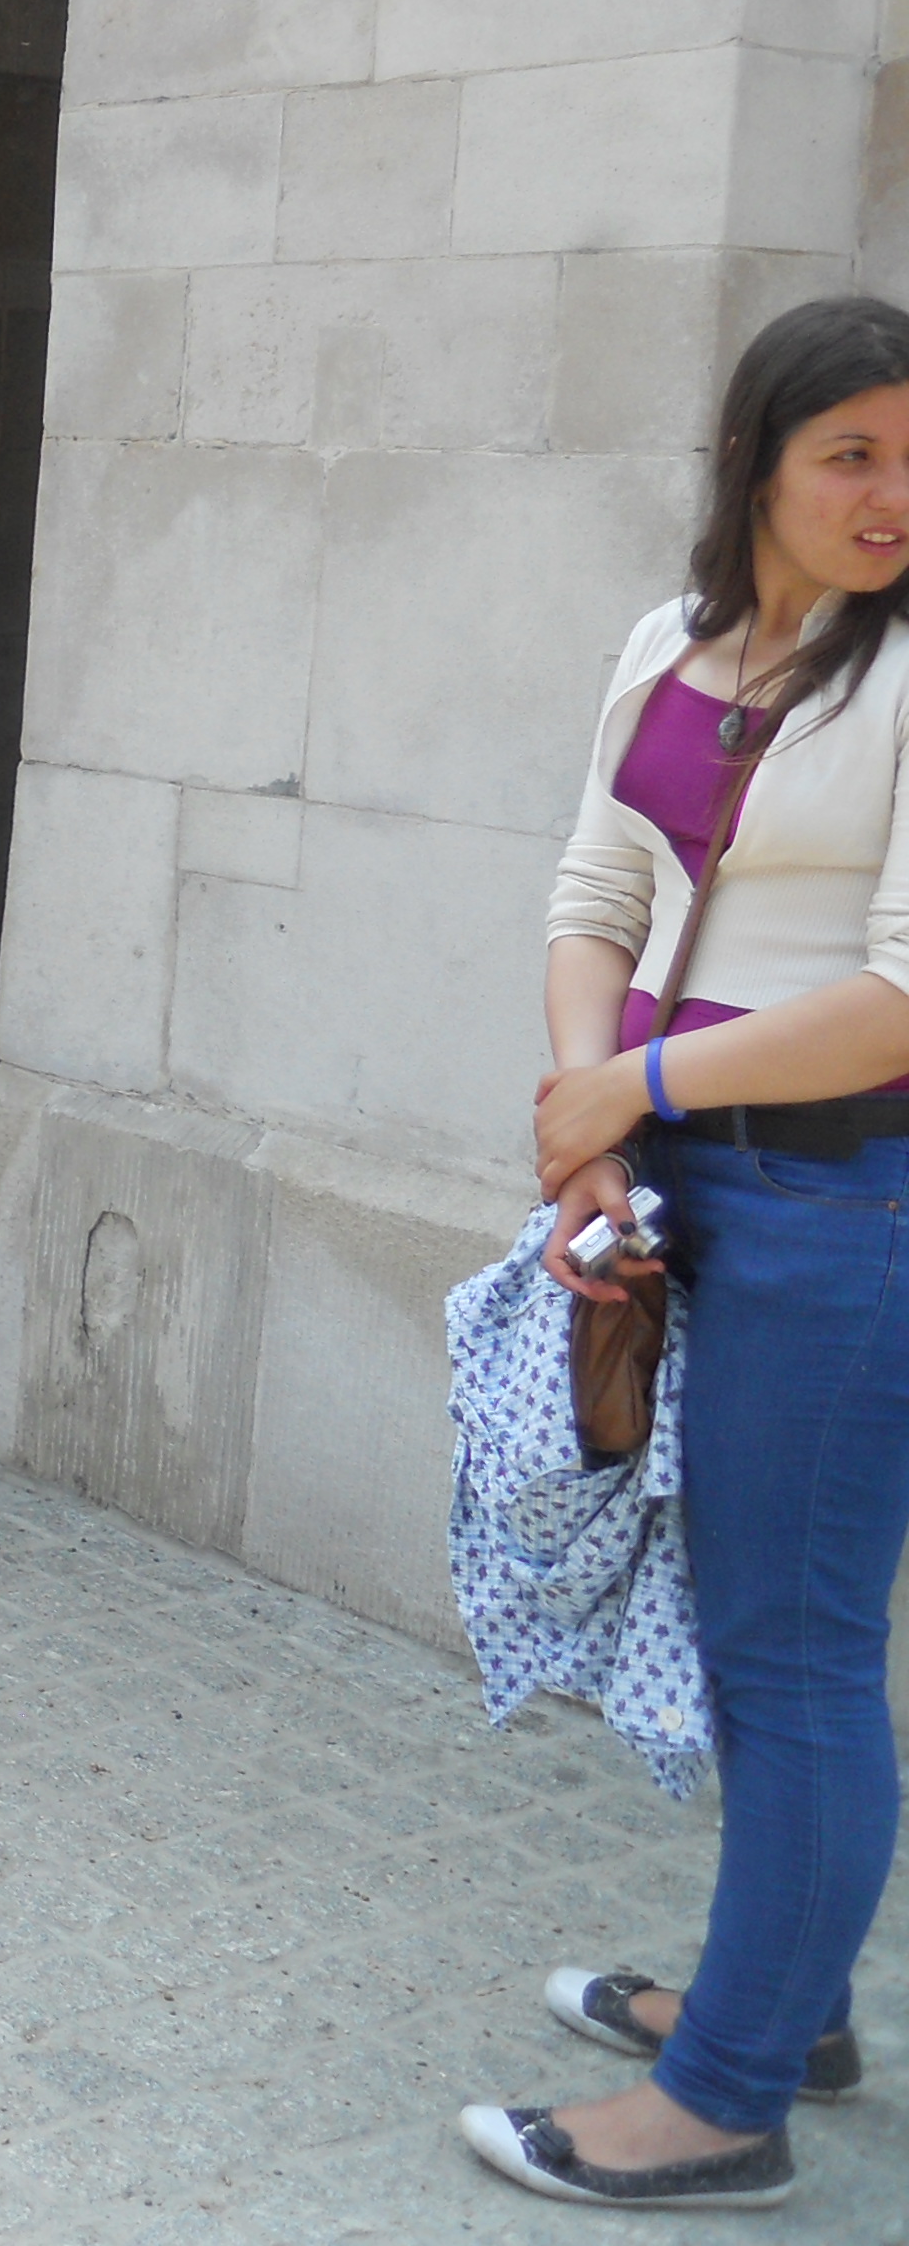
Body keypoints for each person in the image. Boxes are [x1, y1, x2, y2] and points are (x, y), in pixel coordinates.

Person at [475, 293, 909, 2211]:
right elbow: (596, 889)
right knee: (757, 1644)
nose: (893, 496)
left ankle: (727, 2106)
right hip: (680, 1187)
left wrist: (635, 1079)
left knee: (794, 1660)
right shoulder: (669, 642)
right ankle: (786, 2010)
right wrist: (593, 1127)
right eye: (853, 455)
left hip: (846, 1203)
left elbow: (901, 997)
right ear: (755, 462)